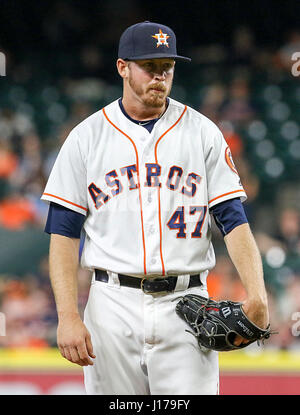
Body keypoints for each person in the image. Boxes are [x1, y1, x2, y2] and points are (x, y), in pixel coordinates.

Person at [41, 21, 269, 395]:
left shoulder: (202, 132)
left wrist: (257, 295)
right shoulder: (86, 138)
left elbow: (234, 221)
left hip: (186, 303)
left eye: (167, 66)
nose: (160, 76)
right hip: (111, 304)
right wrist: (67, 315)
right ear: (123, 67)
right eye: (150, 66)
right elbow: (63, 234)